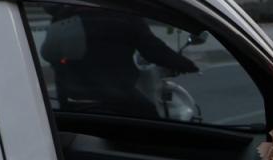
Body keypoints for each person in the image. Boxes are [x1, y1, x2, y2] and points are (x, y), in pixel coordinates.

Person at [41, 8, 198, 119]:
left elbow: (48, 53)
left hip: (70, 99)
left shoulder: (65, 14)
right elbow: (154, 50)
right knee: (152, 120)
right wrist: (187, 65)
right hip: (113, 97)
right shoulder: (124, 15)